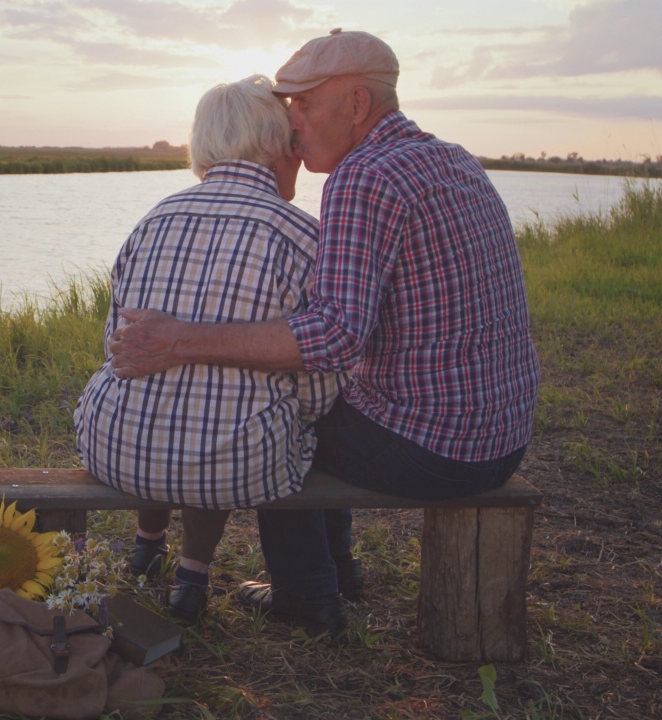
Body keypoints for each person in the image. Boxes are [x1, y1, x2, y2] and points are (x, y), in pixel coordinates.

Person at [107, 29, 540, 636]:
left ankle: (308, 599)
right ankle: (340, 573)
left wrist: (181, 338)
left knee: (282, 428)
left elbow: (333, 336)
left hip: (437, 447)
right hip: (500, 433)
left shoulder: (364, 176)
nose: (294, 123)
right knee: (334, 403)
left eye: (304, 104)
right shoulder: (450, 157)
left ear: (357, 104)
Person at [74, 75, 344, 624]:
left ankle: (148, 545)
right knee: (229, 422)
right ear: (276, 145)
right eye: (294, 140)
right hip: (234, 464)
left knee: (176, 402)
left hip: (110, 445)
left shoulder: (154, 220)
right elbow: (318, 382)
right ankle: (193, 577)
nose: (299, 153)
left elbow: (116, 346)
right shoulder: (303, 236)